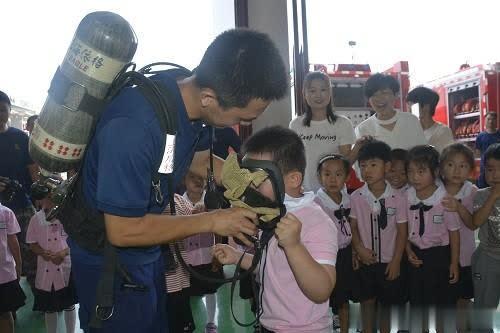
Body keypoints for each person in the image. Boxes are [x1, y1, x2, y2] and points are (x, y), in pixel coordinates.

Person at [69, 28, 288, 332]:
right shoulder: (131, 129)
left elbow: (195, 158)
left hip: (149, 247)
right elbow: (122, 230)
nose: (243, 124)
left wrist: (250, 189)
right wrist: (214, 220)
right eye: (242, 118)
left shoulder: (186, 96)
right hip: (110, 262)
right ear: (210, 98)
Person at [214, 126, 337, 333]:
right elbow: (273, 266)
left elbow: (321, 290)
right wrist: (238, 258)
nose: (250, 186)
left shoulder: (316, 221)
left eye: (258, 179)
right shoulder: (270, 212)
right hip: (269, 325)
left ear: (293, 179)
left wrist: (294, 245)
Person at [349, 140, 408, 333]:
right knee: (367, 302)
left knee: (387, 306)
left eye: (373, 165)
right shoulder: (356, 197)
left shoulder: (399, 198)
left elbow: (402, 232)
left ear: (387, 166)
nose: (367, 170)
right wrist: (358, 249)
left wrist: (397, 261)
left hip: (389, 262)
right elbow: (353, 227)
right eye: (363, 166)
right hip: (366, 261)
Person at [405, 145, 461, 333]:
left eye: (421, 172)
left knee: (441, 302)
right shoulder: (407, 196)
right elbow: (403, 228)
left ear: (435, 172)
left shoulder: (444, 199)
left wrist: (454, 263)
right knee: (418, 303)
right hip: (415, 256)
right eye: (411, 172)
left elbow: (454, 232)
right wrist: (408, 250)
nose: (415, 177)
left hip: (439, 257)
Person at [289, 71, 366, 192]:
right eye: (312, 91)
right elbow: (293, 163)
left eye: (323, 90)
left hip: (335, 194)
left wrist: (357, 147)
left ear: (330, 92)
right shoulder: (295, 125)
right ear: (304, 94)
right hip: (304, 194)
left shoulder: (343, 123)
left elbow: (346, 163)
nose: (318, 95)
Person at [0, 90, 39, 291]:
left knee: (32, 247)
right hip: (0, 209)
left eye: (2, 110)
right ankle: (8, 299)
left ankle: (39, 291)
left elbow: (33, 169)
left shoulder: (21, 138)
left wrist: (39, 196)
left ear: (9, 110)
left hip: (22, 203)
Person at [439, 143, 477, 332]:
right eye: (451, 164)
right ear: (441, 167)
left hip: (466, 256)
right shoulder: (434, 190)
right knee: (445, 299)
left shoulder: (472, 191)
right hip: (441, 256)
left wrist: (459, 207)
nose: (456, 170)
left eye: (463, 166)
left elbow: (473, 223)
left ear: (470, 170)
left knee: (463, 298)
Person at [313, 154, 354, 333]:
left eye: (338, 174)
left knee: (343, 298)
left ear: (346, 177)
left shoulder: (349, 199)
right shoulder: (316, 202)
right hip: (324, 257)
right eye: (327, 174)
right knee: (322, 297)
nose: (332, 179)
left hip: (345, 254)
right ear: (319, 177)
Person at [26, 194, 77, 333]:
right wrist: (43, 253)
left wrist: (63, 253)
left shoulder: (67, 217)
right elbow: (32, 243)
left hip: (66, 266)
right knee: (49, 307)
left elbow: (76, 240)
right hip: (46, 268)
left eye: (52, 197)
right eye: (46, 197)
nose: (49, 200)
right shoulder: (35, 219)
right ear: (40, 199)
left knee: (69, 304)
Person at [182, 171, 222, 333]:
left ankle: (211, 322)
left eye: (201, 178)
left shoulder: (211, 202)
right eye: (192, 177)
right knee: (187, 292)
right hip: (187, 259)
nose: (198, 181)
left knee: (210, 289)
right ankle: (188, 324)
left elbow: (219, 229)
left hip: (207, 255)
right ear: (184, 180)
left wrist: (217, 254)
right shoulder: (179, 203)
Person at [355, 74, 426, 150]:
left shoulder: (411, 120)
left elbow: (422, 154)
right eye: (374, 95)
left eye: (384, 93)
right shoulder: (362, 129)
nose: (379, 98)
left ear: (396, 95)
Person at [471, 143, 500, 332]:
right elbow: (475, 222)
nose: (495, 175)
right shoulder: (481, 195)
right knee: (483, 307)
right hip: (487, 259)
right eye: (490, 169)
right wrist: (493, 196)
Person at [162, 194, 196, 333]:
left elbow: (193, 218)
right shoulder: (150, 199)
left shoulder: (177, 198)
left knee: (182, 324)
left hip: (181, 280)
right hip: (164, 285)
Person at [0, 202, 26, 333]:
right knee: (5, 313)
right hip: (5, 274)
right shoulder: (5, 212)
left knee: (5, 312)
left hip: (4, 274)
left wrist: (19, 265)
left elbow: (13, 241)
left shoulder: (5, 213)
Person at [407, 86, 454, 153]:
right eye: (408, 106)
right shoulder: (410, 131)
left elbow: (446, 158)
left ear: (426, 107)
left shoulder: (442, 131)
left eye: (411, 106)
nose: (408, 111)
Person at [475, 111, 500, 188]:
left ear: (496, 121)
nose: (491, 121)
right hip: (484, 169)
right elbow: (478, 153)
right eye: (488, 119)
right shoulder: (480, 136)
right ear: (485, 121)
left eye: (493, 119)